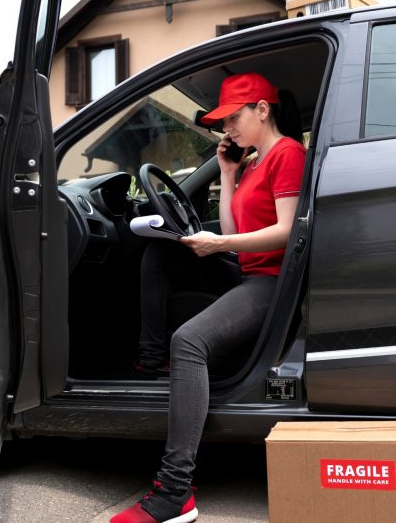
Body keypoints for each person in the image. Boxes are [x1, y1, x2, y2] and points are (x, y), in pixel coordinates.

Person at [111, 72, 306, 523]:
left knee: (190, 341)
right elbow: (236, 231)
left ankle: (174, 492)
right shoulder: (254, 161)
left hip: (271, 282)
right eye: (222, 122)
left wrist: (217, 246)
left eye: (234, 118)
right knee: (159, 252)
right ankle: (151, 360)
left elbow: (287, 231)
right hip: (246, 269)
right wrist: (229, 174)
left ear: (262, 109)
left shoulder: (288, 154)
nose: (227, 130)